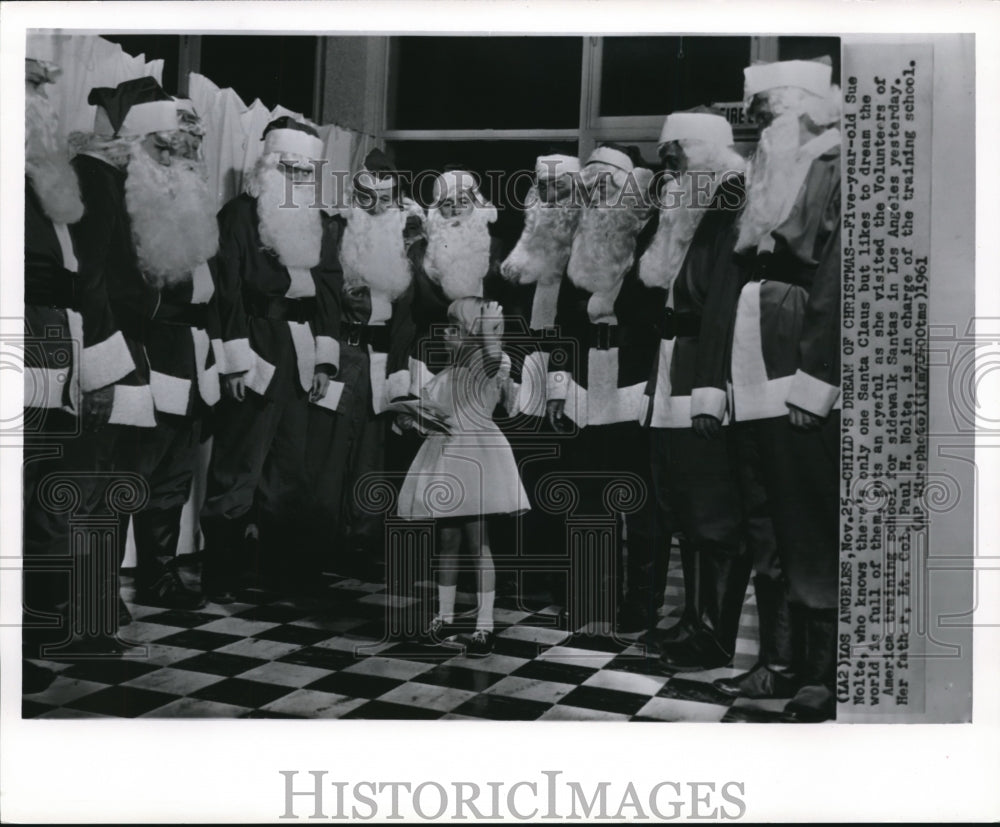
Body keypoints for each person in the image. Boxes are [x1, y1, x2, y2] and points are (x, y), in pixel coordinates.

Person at [709, 57, 843, 722]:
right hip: (752, 356)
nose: (754, 124)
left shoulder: (838, 163)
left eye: (762, 110)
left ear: (797, 104)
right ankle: (778, 659)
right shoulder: (773, 171)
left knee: (808, 519)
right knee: (763, 515)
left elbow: (839, 281)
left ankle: (823, 671)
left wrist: (818, 378)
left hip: (797, 358)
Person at [22, 43, 138, 675]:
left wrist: (94, 371)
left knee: (50, 495)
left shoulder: (52, 177)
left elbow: (84, 280)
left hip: (59, 339)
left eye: (42, 92)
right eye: (28, 91)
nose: (37, 105)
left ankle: (48, 625)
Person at [637, 107, 760, 671]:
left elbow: (723, 306)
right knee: (682, 503)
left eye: (676, 152)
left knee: (712, 510)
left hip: (699, 368)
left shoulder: (729, 198)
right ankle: (693, 618)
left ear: (705, 150)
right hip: (671, 365)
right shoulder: (689, 203)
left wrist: (711, 386)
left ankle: (713, 632)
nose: (668, 164)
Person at [199, 117, 343, 602]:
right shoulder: (239, 215)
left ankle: (279, 574)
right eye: (290, 168)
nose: (300, 177)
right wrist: (236, 360)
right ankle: (222, 575)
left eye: (308, 170)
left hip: (300, 346)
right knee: (239, 465)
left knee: (288, 470)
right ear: (269, 164)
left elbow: (327, 292)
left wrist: (325, 360)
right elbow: (228, 291)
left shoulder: (316, 219)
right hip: (255, 340)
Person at [70, 76, 190, 628]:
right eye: (160, 147)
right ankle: (86, 597)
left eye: (174, 148)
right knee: (97, 484)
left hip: (138, 349)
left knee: (122, 481)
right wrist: (104, 365)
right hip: (108, 347)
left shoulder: (143, 191)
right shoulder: (96, 180)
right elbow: (91, 280)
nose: (170, 158)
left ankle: (101, 592)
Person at [546, 145, 664, 633]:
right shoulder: (575, 236)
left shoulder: (653, 234)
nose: (598, 194)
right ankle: (590, 593)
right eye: (591, 185)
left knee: (638, 498)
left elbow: (659, 318)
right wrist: (556, 384)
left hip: (633, 377)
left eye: (607, 185)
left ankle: (641, 601)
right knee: (587, 494)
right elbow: (558, 318)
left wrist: (659, 384)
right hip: (582, 378)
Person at [112, 95, 222, 611]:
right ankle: (97, 588)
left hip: (185, 354)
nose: (180, 162)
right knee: (128, 477)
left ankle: (158, 578)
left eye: (189, 151)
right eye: (165, 150)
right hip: (141, 353)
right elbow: (118, 289)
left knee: (173, 477)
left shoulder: (189, 206)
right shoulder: (121, 199)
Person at [305, 149, 422, 579]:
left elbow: (409, 314)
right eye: (367, 199)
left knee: (372, 459)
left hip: (381, 356)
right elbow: (322, 296)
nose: (376, 208)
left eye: (385, 200)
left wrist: (400, 372)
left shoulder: (407, 239)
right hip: (343, 351)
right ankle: (320, 545)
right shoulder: (338, 232)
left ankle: (361, 545)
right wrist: (324, 360)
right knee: (330, 453)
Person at [396, 299, 530, 656]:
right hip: (448, 460)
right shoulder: (445, 376)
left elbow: (490, 358)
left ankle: (485, 625)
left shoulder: (490, 365)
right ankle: (444, 616)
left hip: (476, 460)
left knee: (478, 542)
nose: (445, 335)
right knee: (448, 543)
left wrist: (489, 331)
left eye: (455, 329)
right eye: (446, 328)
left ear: (473, 334)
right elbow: (434, 418)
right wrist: (410, 419)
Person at [408, 169, 499, 396]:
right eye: (448, 204)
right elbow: (407, 317)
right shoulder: (419, 253)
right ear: (438, 212)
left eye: (463, 201)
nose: (457, 209)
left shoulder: (496, 250)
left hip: (481, 360)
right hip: (428, 357)